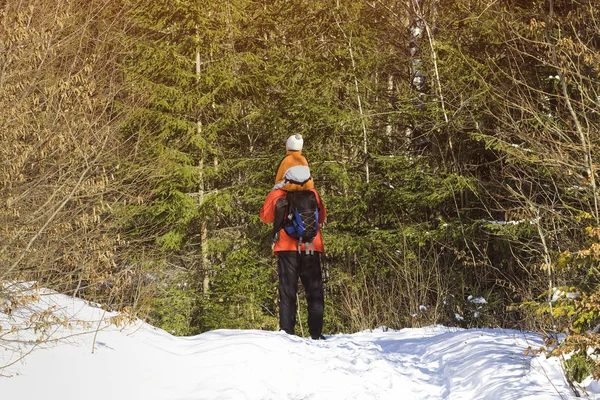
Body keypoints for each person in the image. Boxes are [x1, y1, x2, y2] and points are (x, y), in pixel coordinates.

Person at [260, 136, 326, 340]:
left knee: (287, 291)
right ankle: (316, 334)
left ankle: (287, 333)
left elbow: (265, 217)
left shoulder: (277, 194)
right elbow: (321, 217)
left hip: (286, 248)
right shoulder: (313, 193)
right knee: (314, 291)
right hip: (312, 246)